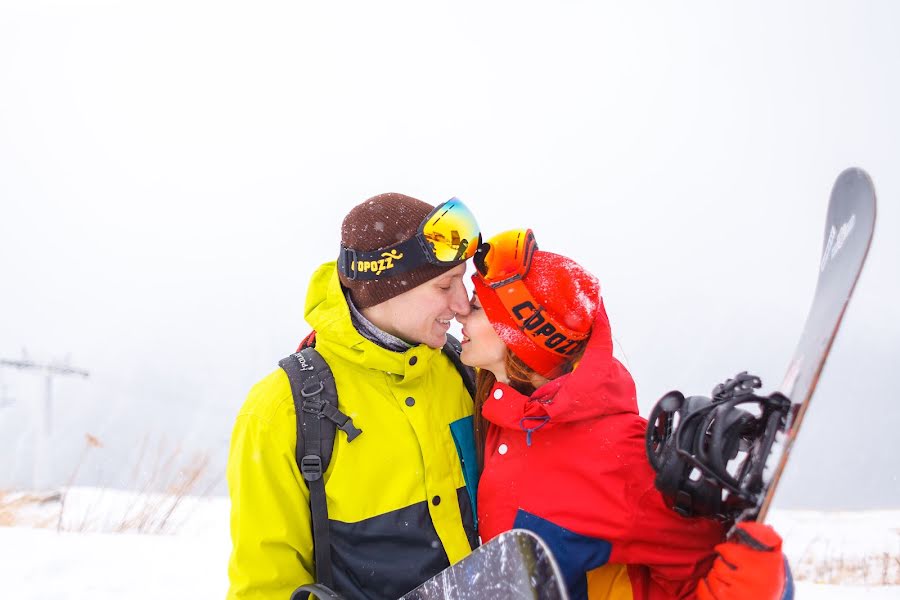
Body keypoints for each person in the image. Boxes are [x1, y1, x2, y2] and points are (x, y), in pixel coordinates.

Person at [457, 228, 792, 600]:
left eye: (475, 307)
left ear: (519, 334)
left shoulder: (618, 452)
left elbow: (701, 569)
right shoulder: (501, 416)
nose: (459, 314)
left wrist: (754, 589)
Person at [226, 193, 483, 600]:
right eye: (445, 284)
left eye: (463, 280)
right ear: (388, 289)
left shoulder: (464, 369)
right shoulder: (282, 410)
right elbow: (266, 585)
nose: (463, 303)